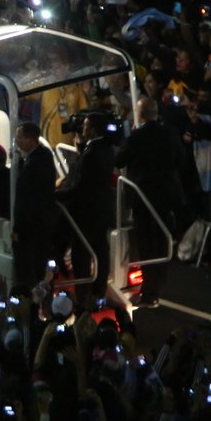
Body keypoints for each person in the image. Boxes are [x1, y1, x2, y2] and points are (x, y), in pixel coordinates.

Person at [115, 96, 182, 308]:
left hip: (143, 195)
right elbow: (181, 159)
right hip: (165, 194)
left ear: (141, 114)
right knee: (161, 242)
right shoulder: (170, 134)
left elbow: (119, 160)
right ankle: (155, 288)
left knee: (145, 243)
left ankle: (149, 291)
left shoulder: (137, 136)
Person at [54, 112, 116, 300]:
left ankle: (83, 293)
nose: (82, 128)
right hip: (101, 208)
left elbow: (81, 186)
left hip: (86, 211)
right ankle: (99, 288)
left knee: (81, 253)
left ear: (94, 129)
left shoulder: (91, 154)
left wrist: (56, 195)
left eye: (86, 125)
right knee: (100, 249)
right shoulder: (107, 148)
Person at [13, 122, 58, 288]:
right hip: (43, 220)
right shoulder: (44, 154)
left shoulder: (34, 163)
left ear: (30, 140)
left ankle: (31, 297)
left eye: (19, 137)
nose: (16, 141)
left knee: (29, 265)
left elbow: (25, 197)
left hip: (33, 224)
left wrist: (17, 227)